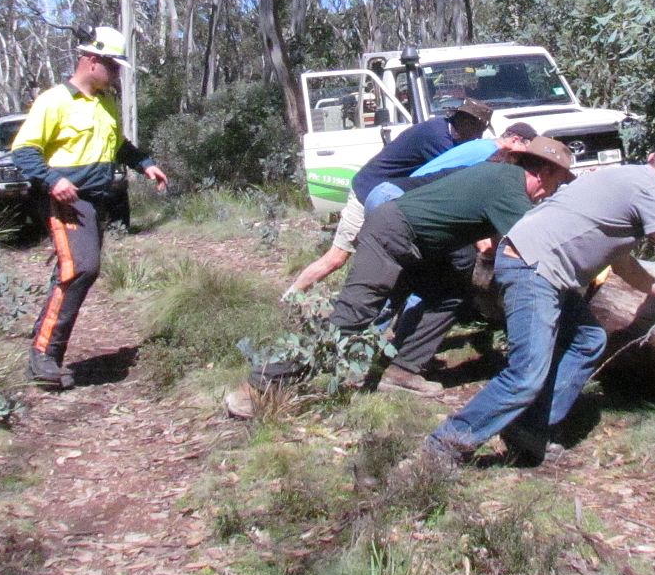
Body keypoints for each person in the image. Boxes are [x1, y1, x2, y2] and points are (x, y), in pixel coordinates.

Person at [423, 138, 655, 465]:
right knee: (526, 373)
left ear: (652, 157)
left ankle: (530, 428)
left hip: (533, 262)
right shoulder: (649, 193)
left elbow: (620, 259)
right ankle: (444, 446)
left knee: (587, 340)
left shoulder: (618, 179)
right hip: (534, 270)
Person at [228, 137, 576, 418]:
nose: (552, 192)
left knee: (452, 293)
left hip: (413, 241)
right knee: (351, 319)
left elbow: (503, 242)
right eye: (557, 184)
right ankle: (261, 387)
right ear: (543, 171)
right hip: (392, 235)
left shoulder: (504, 180)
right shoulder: (509, 186)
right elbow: (533, 242)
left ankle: (404, 368)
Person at [11, 25, 170, 388]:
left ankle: (48, 353)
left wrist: (145, 163)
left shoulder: (105, 102)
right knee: (78, 268)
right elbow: (24, 151)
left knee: (81, 270)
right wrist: (53, 181)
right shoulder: (54, 101)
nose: (116, 74)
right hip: (67, 200)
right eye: (112, 66)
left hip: (97, 202)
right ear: (91, 61)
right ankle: (43, 357)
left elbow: (117, 145)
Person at [285, 100, 493, 295]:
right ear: (467, 123)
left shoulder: (444, 131)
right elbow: (454, 183)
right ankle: (292, 296)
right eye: (479, 131)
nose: (479, 138)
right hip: (367, 194)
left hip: (385, 196)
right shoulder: (439, 139)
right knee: (336, 258)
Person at [362, 122, 538, 212]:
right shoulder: (489, 154)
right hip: (400, 200)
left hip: (396, 194)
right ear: (515, 140)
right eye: (528, 148)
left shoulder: (483, 145)